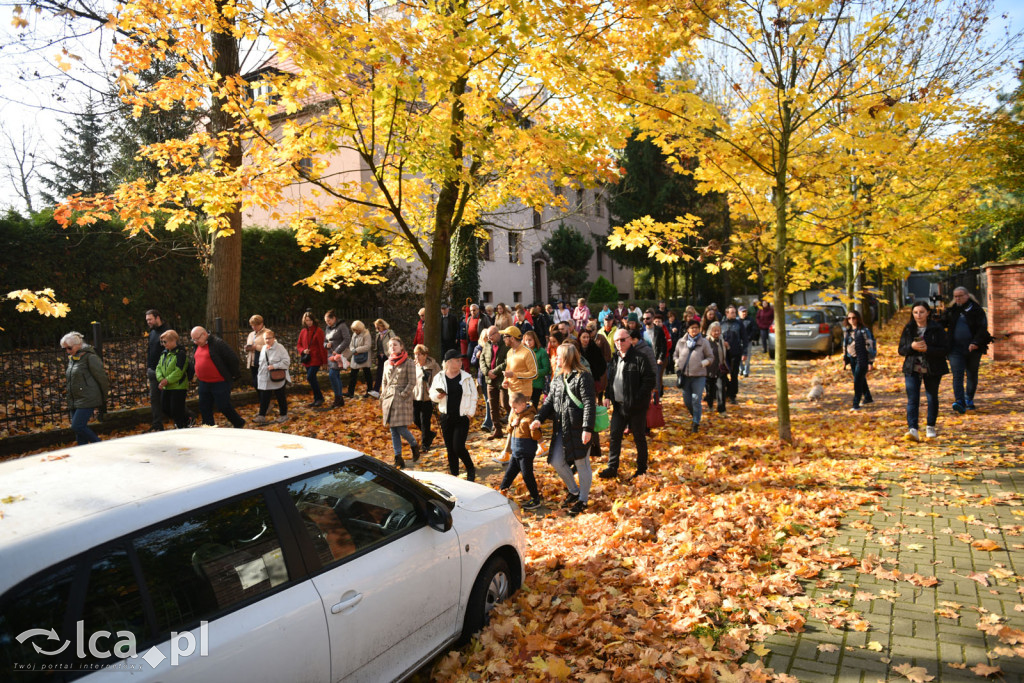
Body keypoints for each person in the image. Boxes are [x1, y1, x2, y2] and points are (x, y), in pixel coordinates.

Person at [532, 343, 596, 516]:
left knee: (582, 463)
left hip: (580, 428)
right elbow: (549, 402)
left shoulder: (583, 377)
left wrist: (587, 428)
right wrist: (538, 418)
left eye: (558, 356)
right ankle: (574, 491)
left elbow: (590, 403)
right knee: (555, 460)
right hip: (562, 427)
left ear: (567, 357)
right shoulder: (558, 378)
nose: (555, 358)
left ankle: (583, 499)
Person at [601, 328, 656, 480]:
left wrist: (637, 398)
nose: (619, 343)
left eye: (623, 340)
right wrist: (607, 395)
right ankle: (612, 467)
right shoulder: (614, 359)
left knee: (639, 437)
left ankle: (641, 469)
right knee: (614, 436)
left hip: (637, 407)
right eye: (616, 340)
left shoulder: (640, 358)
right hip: (619, 406)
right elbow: (610, 380)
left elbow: (649, 380)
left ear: (630, 340)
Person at [898, 302, 949, 441]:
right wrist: (912, 346)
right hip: (912, 367)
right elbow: (901, 350)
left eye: (921, 312)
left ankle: (930, 426)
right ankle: (913, 429)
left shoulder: (936, 328)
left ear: (928, 313)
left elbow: (945, 349)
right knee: (913, 399)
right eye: (915, 312)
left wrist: (928, 349)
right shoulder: (909, 328)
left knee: (932, 397)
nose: (918, 315)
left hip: (932, 367)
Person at [429, 349, 478, 481]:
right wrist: (437, 396)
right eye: (457, 360)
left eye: (461, 360)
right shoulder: (439, 377)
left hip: (462, 417)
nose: (460, 362)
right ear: (449, 362)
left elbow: (474, 396)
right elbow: (432, 394)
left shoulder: (466, 377)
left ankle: (470, 468)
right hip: (445, 417)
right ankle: (454, 475)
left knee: (458, 447)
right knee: (450, 449)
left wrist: (470, 414)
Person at [944, 287, 992, 413]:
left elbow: (983, 328)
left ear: (967, 295)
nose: (957, 298)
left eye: (960, 295)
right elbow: (942, 324)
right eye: (955, 296)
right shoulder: (952, 311)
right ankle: (959, 401)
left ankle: (969, 398)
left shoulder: (976, 310)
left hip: (973, 349)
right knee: (957, 375)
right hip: (955, 349)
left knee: (972, 374)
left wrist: (976, 342)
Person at [189, 326, 245, 428]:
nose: (195, 342)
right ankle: (208, 427)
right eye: (193, 339)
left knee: (223, 406)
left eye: (197, 339)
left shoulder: (218, 343)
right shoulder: (197, 345)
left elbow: (233, 359)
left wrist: (232, 374)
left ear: (205, 334)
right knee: (204, 407)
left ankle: (238, 422)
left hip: (220, 381)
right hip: (204, 382)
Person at [62, 331, 109, 445]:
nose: (67, 351)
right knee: (79, 431)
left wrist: (104, 397)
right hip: (76, 398)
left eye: (69, 348)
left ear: (78, 345)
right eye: (65, 349)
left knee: (77, 426)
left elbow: (101, 377)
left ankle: (99, 444)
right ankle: (82, 453)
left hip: (88, 397)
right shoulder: (73, 358)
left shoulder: (90, 357)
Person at [500, 392, 544, 510]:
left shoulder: (530, 417)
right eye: (511, 407)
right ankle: (501, 492)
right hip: (516, 451)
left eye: (515, 407)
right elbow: (509, 430)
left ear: (523, 404)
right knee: (509, 474)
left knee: (527, 475)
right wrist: (512, 424)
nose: (513, 409)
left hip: (526, 452)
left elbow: (536, 436)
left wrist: (533, 429)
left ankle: (535, 499)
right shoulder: (515, 414)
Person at [380, 337, 419, 467]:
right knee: (393, 430)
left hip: (402, 399)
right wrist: (383, 394)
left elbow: (412, 381)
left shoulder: (409, 362)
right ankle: (398, 458)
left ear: (401, 346)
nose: (392, 347)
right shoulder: (386, 363)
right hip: (389, 399)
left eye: (395, 345)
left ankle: (413, 444)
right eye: (390, 346)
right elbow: (384, 381)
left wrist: (403, 394)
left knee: (401, 428)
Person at [674, 318, 714, 433]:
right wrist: (677, 362)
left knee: (696, 399)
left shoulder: (704, 342)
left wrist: (702, 363)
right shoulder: (681, 342)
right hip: (685, 376)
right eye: (692, 328)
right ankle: (695, 415)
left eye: (696, 328)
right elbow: (675, 355)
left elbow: (711, 357)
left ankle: (696, 422)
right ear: (688, 330)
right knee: (687, 401)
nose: (694, 330)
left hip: (699, 376)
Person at [253, 328, 291, 425]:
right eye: (265, 339)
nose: (267, 340)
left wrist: (274, 366)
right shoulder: (264, 348)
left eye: (269, 338)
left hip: (277, 377)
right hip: (266, 377)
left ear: (274, 338)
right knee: (264, 397)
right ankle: (261, 416)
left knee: (280, 396)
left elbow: (286, 361)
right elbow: (262, 364)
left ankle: (284, 415)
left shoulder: (280, 348)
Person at [156, 329, 190, 429]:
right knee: (165, 408)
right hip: (167, 386)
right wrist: (161, 379)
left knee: (176, 410)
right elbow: (158, 367)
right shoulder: (164, 353)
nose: (163, 344)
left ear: (173, 341)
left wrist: (167, 380)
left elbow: (179, 371)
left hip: (178, 386)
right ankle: (186, 418)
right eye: (162, 342)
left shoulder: (180, 354)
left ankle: (181, 426)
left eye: (165, 342)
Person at [496, 325, 539, 406]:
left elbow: (534, 373)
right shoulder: (509, 352)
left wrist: (515, 375)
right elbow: (508, 370)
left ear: (512, 338)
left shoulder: (528, 352)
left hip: (523, 394)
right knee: (513, 418)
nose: (504, 339)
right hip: (511, 392)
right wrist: (505, 381)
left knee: (522, 418)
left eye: (505, 337)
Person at [479, 325, 509, 439]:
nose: (489, 338)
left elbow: (507, 361)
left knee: (505, 403)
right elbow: (482, 360)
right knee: (492, 406)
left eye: (491, 335)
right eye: (487, 336)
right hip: (490, 380)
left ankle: (514, 424)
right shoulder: (486, 345)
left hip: (501, 379)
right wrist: (487, 372)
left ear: (497, 334)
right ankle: (497, 429)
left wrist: (495, 371)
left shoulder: (505, 344)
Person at [843, 310, 876, 410]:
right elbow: (845, 346)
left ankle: (855, 403)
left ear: (858, 318)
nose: (852, 320)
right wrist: (845, 359)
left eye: (854, 318)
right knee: (860, 379)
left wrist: (870, 361)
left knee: (857, 380)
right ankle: (868, 397)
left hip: (862, 359)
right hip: (851, 358)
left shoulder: (864, 331)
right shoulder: (847, 331)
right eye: (849, 318)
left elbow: (870, 346)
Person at [413, 344, 441, 452]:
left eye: (419, 354)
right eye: (415, 354)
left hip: (427, 398)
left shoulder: (433, 366)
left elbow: (439, 380)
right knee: (415, 419)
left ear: (425, 355)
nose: (417, 357)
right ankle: (430, 434)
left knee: (425, 421)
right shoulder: (413, 366)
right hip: (415, 397)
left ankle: (425, 444)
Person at [297, 312, 327, 408]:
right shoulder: (303, 331)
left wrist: (324, 361)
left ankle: (319, 398)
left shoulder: (318, 331)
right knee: (312, 379)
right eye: (306, 320)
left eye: (310, 320)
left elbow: (322, 347)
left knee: (310, 377)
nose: (308, 322)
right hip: (307, 359)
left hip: (316, 359)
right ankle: (317, 399)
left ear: (313, 320)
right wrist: (303, 350)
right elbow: (299, 345)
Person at [145, 309, 169, 432]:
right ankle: (157, 425)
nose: (148, 322)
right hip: (152, 371)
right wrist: (149, 367)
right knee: (154, 399)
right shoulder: (152, 332)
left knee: (168, 399)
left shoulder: (167, 332)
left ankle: (187, 416)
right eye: (147, 320)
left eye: (150, 319)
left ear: (157, 317)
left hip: (164, 372)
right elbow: (150, 350)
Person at [720, 306, 748, 403]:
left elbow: (745, 339)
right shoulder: (721, 324)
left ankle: (733, 395)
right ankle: (727, 391)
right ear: (727, 313)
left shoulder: (739, 324)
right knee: (722, 374)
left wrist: (745, 352)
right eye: (732, 312)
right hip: (723, 354)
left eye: (735, 312)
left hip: (735, 352)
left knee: (734, 374)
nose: (734, 314)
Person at [324, 309, 350, 408]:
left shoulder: (342, 326)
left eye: (329, 321)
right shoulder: (328, 328)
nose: (327, 323)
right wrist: (326, 345)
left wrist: (338, 350)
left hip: (339, 355)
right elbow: (324, 341)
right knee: (336, 376)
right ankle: (339, 399)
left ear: (334, 318)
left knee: (332, 375)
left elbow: (347, 339)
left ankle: (338, 398)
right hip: (330, 355)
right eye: (326, 322)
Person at [346, 320, 374, 398]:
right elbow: (351, 344)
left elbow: (367, 346)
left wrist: (357, 350)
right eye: (354, 330)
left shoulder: (366, 334)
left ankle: (369, 391)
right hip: (356, 356)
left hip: (364, 356)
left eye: (356, 329)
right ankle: (350, 392)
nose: (355, 331)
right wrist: (353, 350)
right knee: (353, 375)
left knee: (367, 374)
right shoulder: (355, 334)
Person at [705, 321, 728, 414]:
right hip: (709, 370)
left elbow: (725, 355)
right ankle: (710, 405)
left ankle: (722, 409)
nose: (717, 333)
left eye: (718, 330)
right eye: (714, 331)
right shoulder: (706, 342)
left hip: (720, 369)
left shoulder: (722, 341)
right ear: (710, 331)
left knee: (721, 388)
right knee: (710, 391)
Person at [579, 328, 608, 402]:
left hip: (593, 378)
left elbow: (602, 363)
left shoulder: (595, 348)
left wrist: (597, 375)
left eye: (588, 337)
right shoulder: (576, 349)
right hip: (580, 378)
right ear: (579, 338)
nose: (586, 339)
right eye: (584, 337)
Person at [523, 330, 550, 406]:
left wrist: (533, 373)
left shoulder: (542, 352)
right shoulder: (522, 351)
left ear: (535, 340)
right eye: (526, 340)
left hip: (536, 384)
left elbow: (546, 369)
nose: (528, 342)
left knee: (532, 406)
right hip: (524, 384)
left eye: (530, 340)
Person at [371, 318, 396, 397]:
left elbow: (395, 343)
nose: (377, 329)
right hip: (380, 357)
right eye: (376, 328)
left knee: (389, 374)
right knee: (379, 373)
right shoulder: (378, 335)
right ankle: (376, 391)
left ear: (383, 326)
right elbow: (376, 347)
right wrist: (374, 357)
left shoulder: (390, 333)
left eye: (378, 327)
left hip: (388, 356)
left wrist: (392, 354)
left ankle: (389, 391)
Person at [244, 315, 268, 389]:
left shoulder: (267, 332)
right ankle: (261, 399)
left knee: (260, 383)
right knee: (255, 384)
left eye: (256, 325)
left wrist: (256, 347)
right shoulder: (251, 334)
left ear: (261, 324)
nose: (254, 327)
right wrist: (246, 349)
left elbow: (271, 347)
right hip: (252, 362)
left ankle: (263, 399)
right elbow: (247, 347)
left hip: (262, 362)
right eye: (252, 325)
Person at [738, 306, 758, 377]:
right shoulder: (737, 321)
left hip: (747, 341)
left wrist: (750, 337)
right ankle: (741, 369)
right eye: (742, 312)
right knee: (738, 356)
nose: (744, 313)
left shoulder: (751, 320)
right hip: (738, 342)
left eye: (745, 312)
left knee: (747, 356)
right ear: (739, 313)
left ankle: (746, 371)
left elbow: (754, 330)